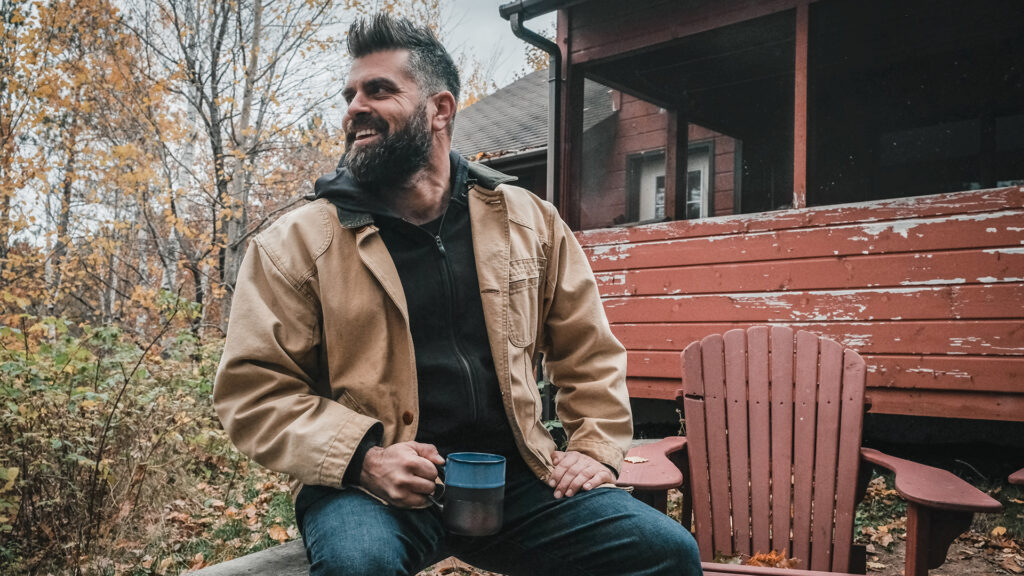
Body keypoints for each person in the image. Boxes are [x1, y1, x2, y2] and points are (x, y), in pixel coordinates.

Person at [214, 13, 701, 576]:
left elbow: (586, 350)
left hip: (515, 476)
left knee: (664, 552)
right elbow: (253, 393)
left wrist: (593, 448)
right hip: (373, 489)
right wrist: (362, 458)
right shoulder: (296, 244)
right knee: (359, 565)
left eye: (378, 90)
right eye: (350, 94)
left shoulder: (528, 221)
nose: (353, 108)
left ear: (440, 110)